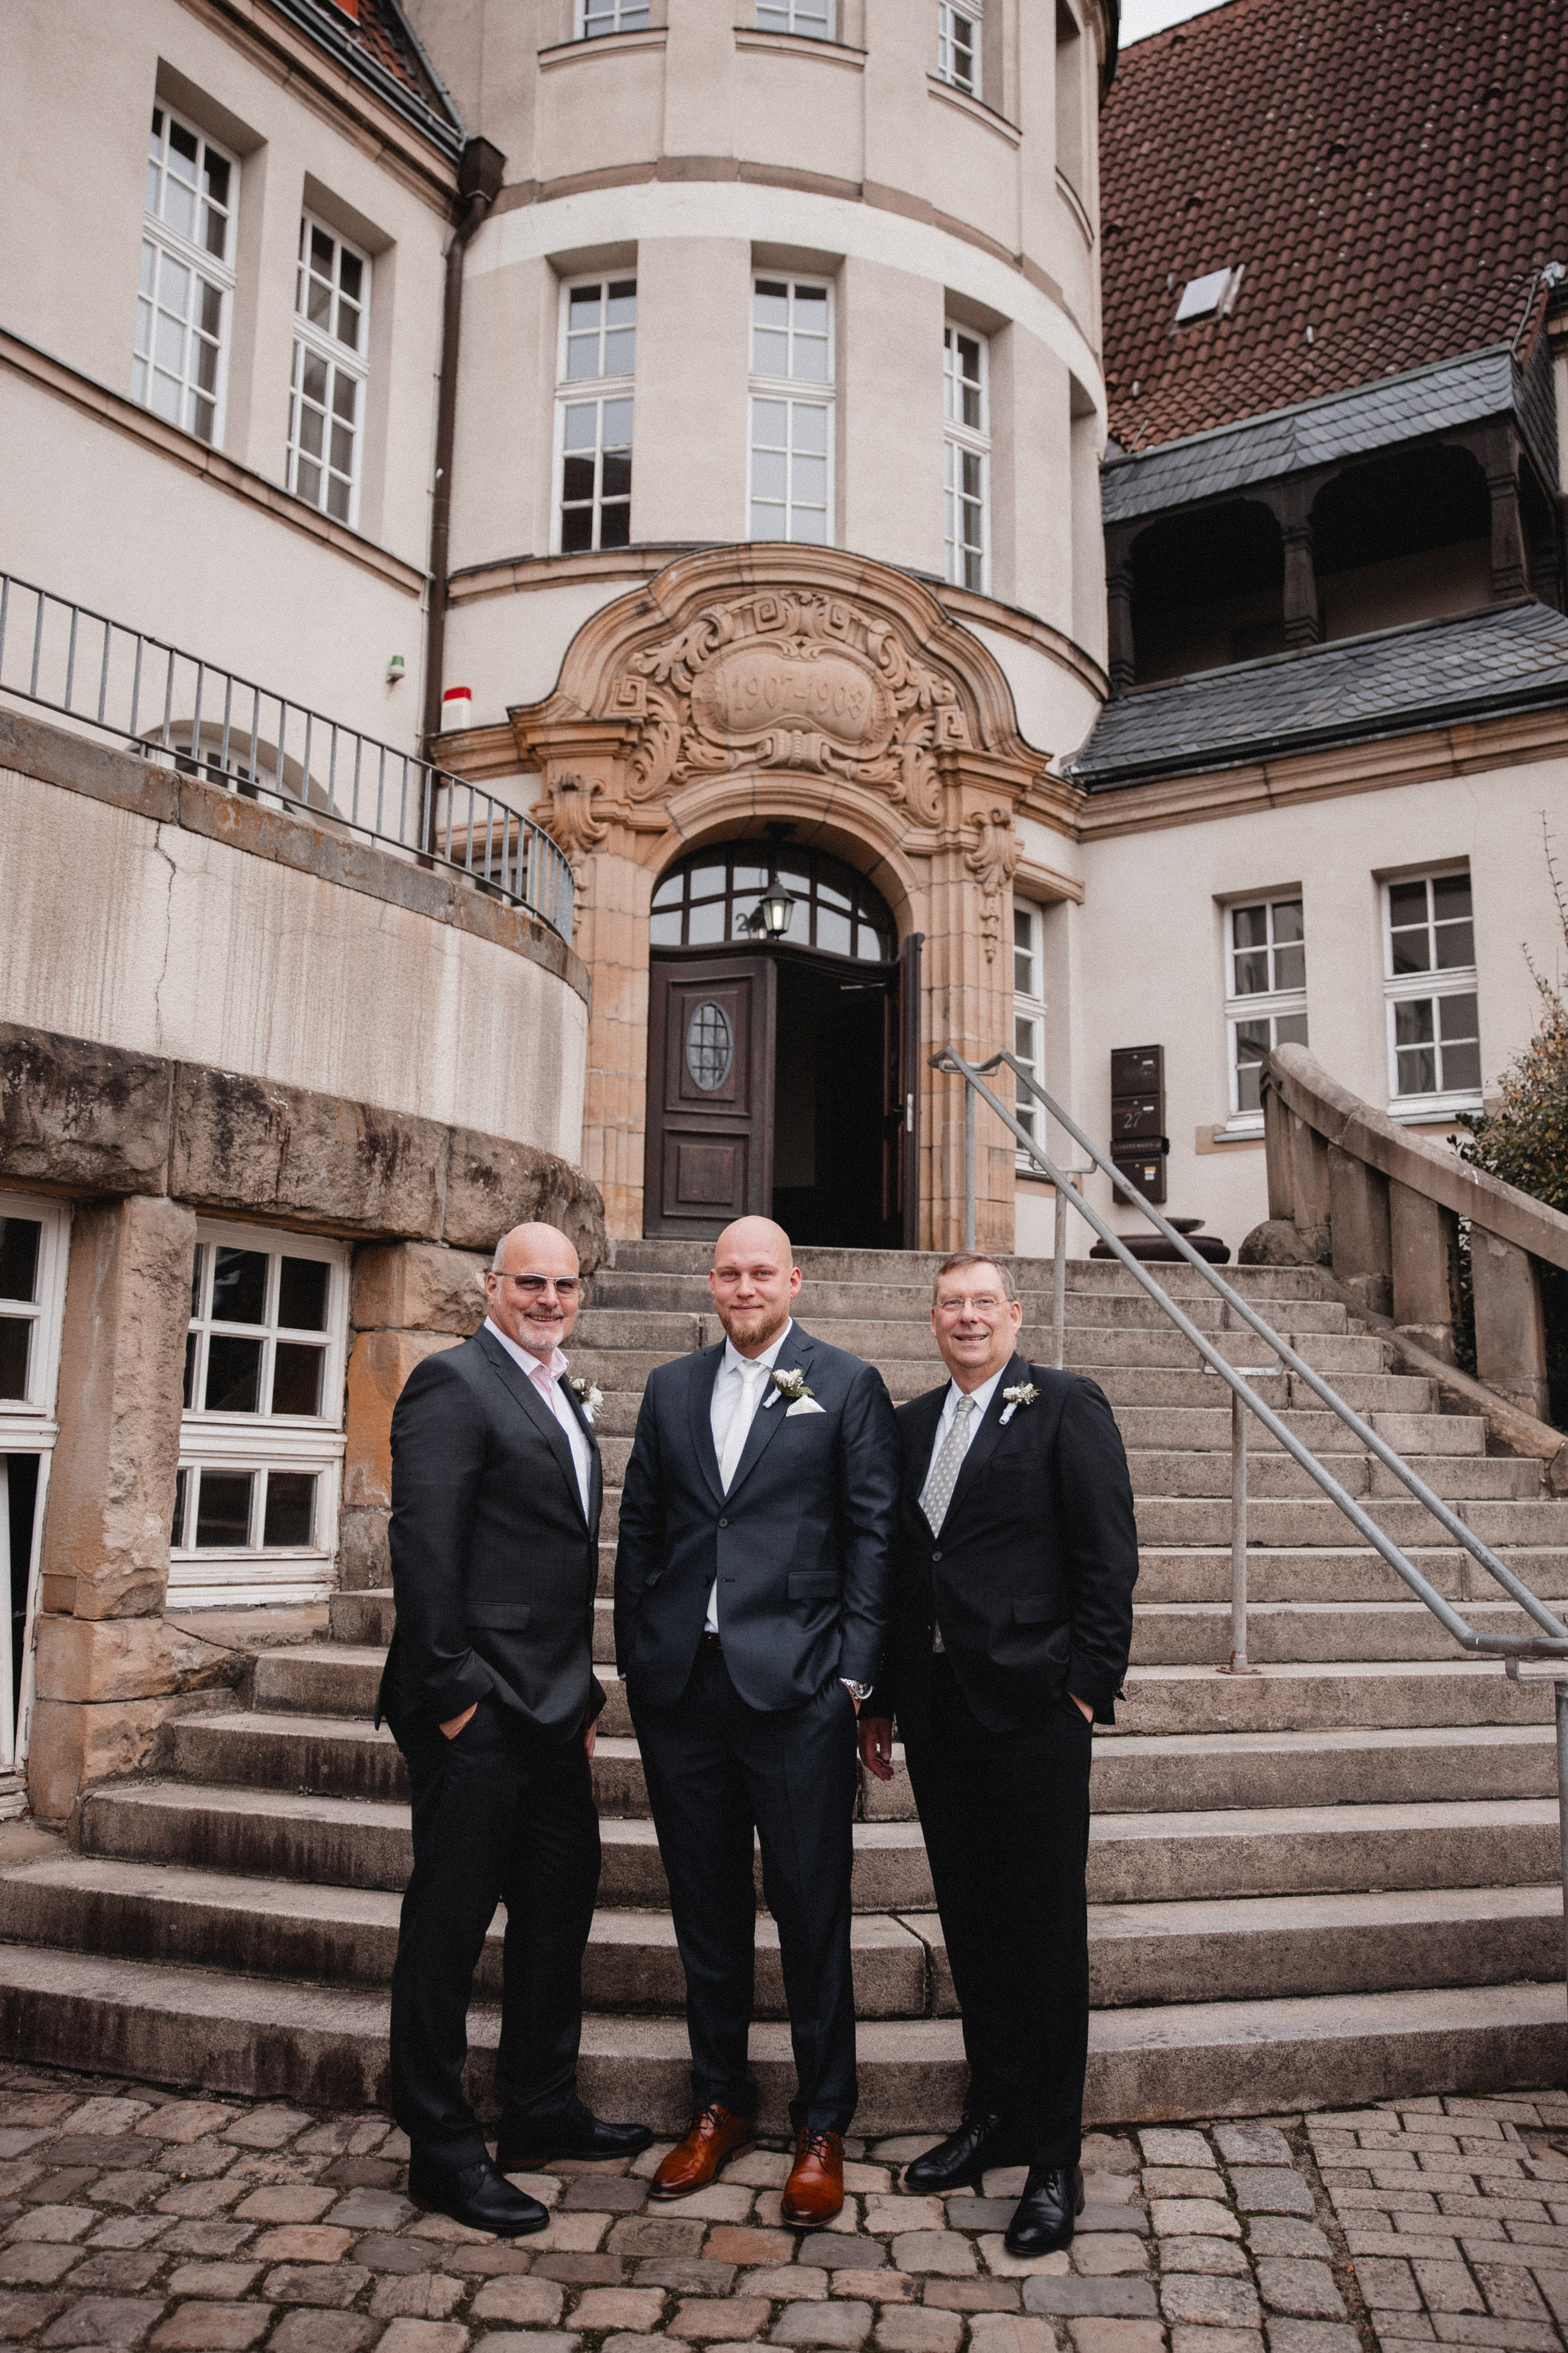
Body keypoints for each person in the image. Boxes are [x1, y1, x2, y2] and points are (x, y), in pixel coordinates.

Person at [614, 1215, 899, 2225]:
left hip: (799, 1693)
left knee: (813, 1910)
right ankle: (720, 2100)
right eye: (729, 1272)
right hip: (683, 1691)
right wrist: (639, 1658)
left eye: (762, 1272)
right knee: (705, 1909)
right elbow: (641, 1525)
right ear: (712, 1281)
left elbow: (874, 1536)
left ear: (796, 1279)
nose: (744, 1287)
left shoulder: (847, 1384)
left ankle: (823, 2122)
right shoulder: (670, 1388)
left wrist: (856, 1679)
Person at [859, 1252, 1137, 2256]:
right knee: (972, 1925)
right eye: (951, 1303)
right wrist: (884, 1698)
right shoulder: (910, 1422)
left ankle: (1055, 2157)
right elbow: (900, 1567)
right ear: (931, 1318)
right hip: (939, 1712)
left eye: (984, 1302)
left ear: (1014, 1314)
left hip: (1033, 1711)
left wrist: (1083, 1686)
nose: (966, 1317)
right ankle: (996, 2114)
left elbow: (1109, 1556)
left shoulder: (1066, 1405)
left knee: (1045, 1932)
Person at [379, 1220, 652, 2235]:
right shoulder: (454, 1382)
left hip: (553, 1711)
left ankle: (538, 2107)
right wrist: (455, 1692)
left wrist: (578, 1697)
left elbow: (556, 1559)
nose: (547, 1298)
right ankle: (440, 2147)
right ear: (491, 1285)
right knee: (448, 1927)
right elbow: (424, 1541)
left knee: (558, 1903)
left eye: (564, 1285)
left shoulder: (559, 1390)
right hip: (478, 1711)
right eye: (529, 1282)